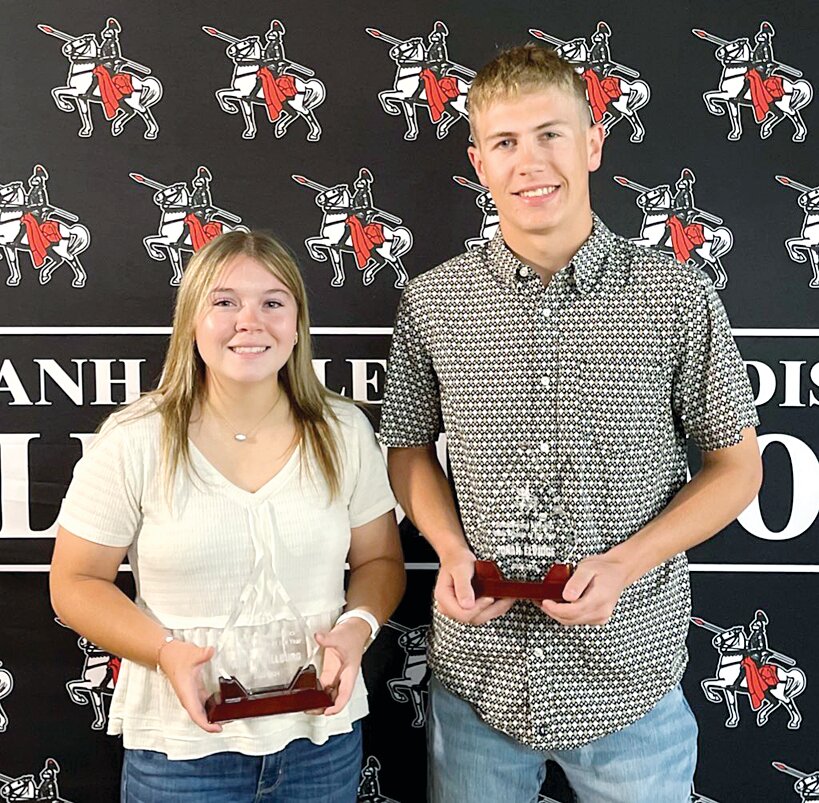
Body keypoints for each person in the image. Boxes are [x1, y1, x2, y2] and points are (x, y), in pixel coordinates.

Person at [380, 44, 762, 803]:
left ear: (592, 142)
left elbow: (737, 465)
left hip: (629, 679)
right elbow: (407, 450)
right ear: (478, 162)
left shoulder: (676, 296)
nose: (530, 162)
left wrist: (624, 563)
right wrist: (450, 548)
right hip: (478, 679)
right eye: (505, 142)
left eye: (550, 134)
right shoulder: (431, 302)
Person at [50, 230, 405, 802]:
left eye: (272, 302)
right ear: (192, 320)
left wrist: (357, 627)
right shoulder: (134, 439)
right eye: (224, 302)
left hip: (320, 745)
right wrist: (165, 652)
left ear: (296, 324)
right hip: (182, 753)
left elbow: (381, 559)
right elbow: (75, 581)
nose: (250, 321)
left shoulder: (344, 432)